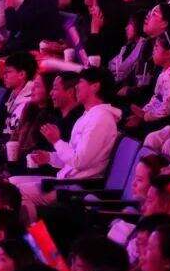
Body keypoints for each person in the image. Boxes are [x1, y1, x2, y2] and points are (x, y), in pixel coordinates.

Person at [12, 67, 121, 212]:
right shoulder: (88, 115)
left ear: (95, 86)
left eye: (80, 82)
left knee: (12, 193)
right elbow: (72, 156)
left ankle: (34, 225)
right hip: (64, 180)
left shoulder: (100, 119)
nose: (76, 87)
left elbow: (79, 161)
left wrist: (56, 141)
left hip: (76, 187)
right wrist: (49, 157)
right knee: (11, 184)